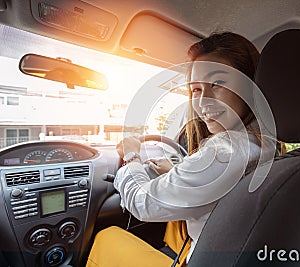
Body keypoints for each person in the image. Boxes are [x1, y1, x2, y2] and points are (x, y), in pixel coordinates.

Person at [87, 32, 273, 267]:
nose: (203, 102)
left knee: (107, 237)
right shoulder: (264, 141)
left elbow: (141, 203)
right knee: (174, 224)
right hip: (229, 247)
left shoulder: (225, 151)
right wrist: (176, 171)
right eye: (195, 90)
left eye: (217, 84)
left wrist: (132, 157)